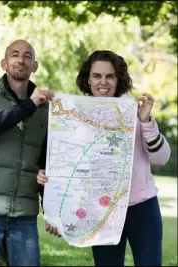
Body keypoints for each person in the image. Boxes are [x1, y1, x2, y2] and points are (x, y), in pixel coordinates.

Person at [37, 50, 171, 266]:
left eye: (110, 76)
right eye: (97, 76)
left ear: (119, 79)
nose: (103, 82)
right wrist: (49, 184)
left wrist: (146, 121)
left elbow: (162, 157)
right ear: (88, 80)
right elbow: (68, 164)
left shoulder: (134, 111)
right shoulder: (75, 115)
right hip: (100, 210)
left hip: (142, 208)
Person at [0, 39, 56, 266]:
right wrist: (29, 105)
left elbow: (46, 161)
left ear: (34, 66)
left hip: (24, 214)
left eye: (27, 56)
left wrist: (52, 211)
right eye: (15, 55)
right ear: (4, 63)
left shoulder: (46, 109)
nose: (21, 60)